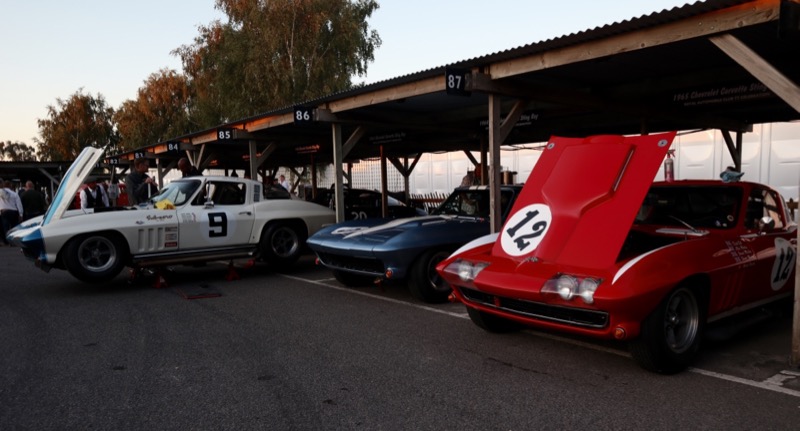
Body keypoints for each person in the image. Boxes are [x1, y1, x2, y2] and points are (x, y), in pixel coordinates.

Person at [1, 178, 24, 245]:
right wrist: (21, 214)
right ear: (10, 186)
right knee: (13, 227)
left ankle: (7, 241)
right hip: (13, 212)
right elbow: (19, 204)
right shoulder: (14, 194)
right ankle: (13, 241)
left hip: (4, 212)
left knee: (5, 227)